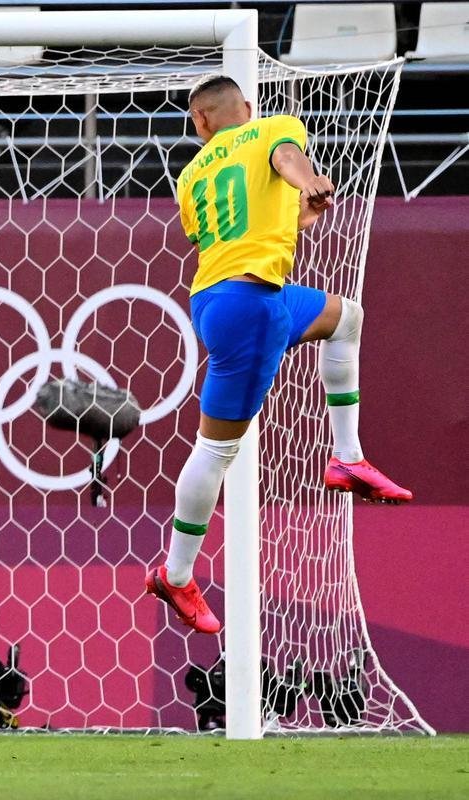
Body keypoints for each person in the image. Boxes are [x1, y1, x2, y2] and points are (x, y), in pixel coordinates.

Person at [145, 75, 412, 635]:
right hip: (251, 305)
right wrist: (308, 180)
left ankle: (348, 456)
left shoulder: (191, 176)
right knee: (216, 452)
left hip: (233, 296)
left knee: (345, 318)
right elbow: (286, 157)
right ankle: (176, 574)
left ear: (199, 123)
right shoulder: (275, 128)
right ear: (247, 107)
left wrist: (298, 214)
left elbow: (228, 232)